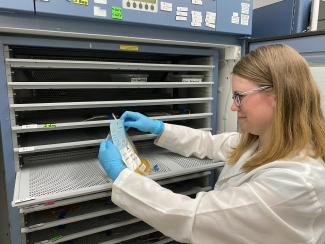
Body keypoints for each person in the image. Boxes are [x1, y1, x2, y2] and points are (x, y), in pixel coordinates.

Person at [98, 44, 325, 244]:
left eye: (239, 96)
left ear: (277, 95)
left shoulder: (296, 183)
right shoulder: (264, 140)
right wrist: (159, 128)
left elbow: (190, 216)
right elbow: (208, 143)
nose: (233, 107)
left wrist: (122, 177)